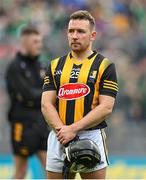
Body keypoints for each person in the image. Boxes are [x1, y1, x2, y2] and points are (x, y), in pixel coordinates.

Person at [41, 10, 118, 179]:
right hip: (59, 135)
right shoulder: (55, 65)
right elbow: (46, 104)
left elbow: (106, 107)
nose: (74, 36)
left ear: (93, 35)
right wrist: (63, 132)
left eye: (81, 31)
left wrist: (73, 129)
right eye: (71, 31)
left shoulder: (105, 66)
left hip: (91, 135)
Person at [6, 26, 50, 179]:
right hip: (22, 124)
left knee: (52, 170)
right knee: (21, 171)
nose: (39, 45)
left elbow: (47, 94)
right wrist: (48, 95)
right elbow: (28, 95)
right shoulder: (15, 67)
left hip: (41, 122)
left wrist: (47, 95)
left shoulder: (42, 66)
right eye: (35, 41)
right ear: (24, 42)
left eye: (40, 41)